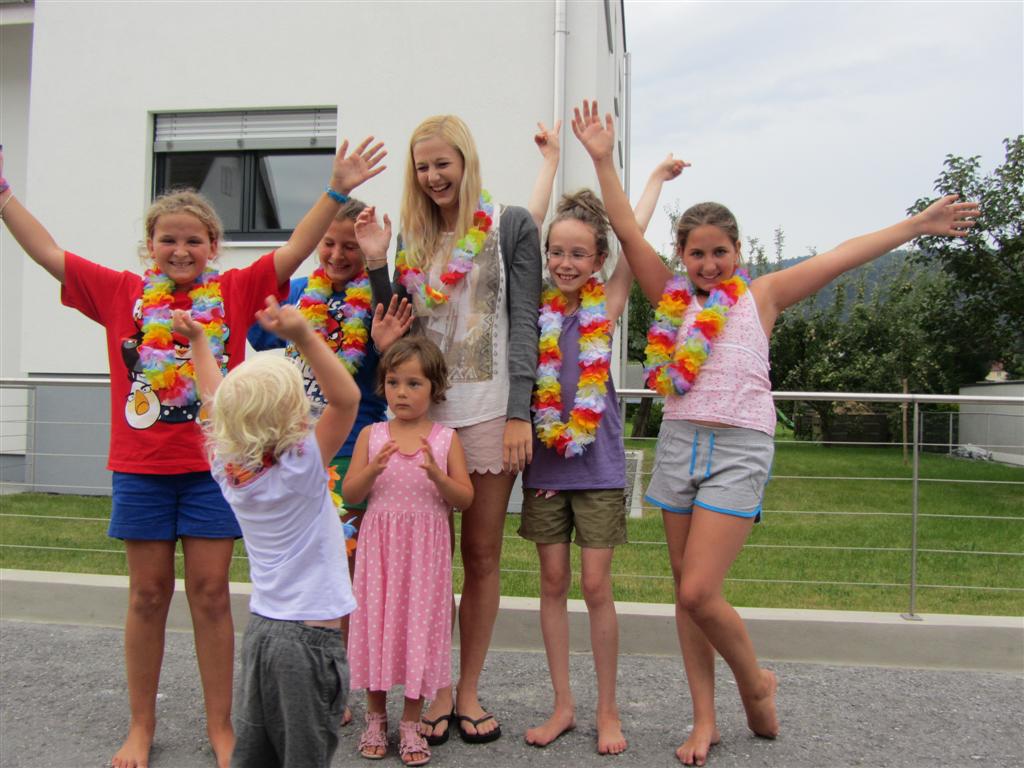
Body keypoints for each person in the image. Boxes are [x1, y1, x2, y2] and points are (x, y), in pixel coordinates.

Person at [572, 99, 979, 767]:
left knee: (700, 590)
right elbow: (623, 225)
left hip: (739, 449)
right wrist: (600, 157)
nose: (709, 263)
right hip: (680, 445)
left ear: (739, 251)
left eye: (720, 252)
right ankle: (705, 720)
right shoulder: (668, 293)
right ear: (681, 255)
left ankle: (755, 681)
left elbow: (842, 257)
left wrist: (918, 224)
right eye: (697, 253)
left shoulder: (761, 297)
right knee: (684, 592)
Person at [0, 139, 385, 768]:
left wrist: (337, 189)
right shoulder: (121, 292)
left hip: (219, 473)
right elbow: (48, 254)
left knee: (210, 594)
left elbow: (294, 248)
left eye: (193, 240)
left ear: (213, 246)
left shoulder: (232, 291)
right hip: (142, 469)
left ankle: (222, 726)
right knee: (146, 595)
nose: (180, 250)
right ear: (149, 246)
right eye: (167, 240)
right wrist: (3, 196)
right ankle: (140, 726)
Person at [357, 114, 542, 745]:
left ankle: (466, 689)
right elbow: (397, 327)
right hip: (425, 414)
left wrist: (519, 411)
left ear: (465, 161)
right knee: (428, 560)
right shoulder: (411, 237)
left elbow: (525, 321)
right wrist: (377, 262)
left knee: (482, 555)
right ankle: (431, 689)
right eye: (423, 167)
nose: (434, 176)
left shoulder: (510, 225)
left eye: (443, 163)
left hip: (489, 413)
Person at [519, 156, 686, 755]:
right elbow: (523, 231)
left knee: (595, 585)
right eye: (556, 253)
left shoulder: (605, 306)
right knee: (552, 581)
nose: (565, 263)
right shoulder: (532, 311)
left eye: (578, 254)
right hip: (545, 465)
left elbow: (631, 232)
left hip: (598, 466)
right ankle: (562, 704)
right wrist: (547, 162)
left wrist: (654, 182)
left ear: (597, 261)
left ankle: (607, 709)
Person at [175, 296, 360, 767]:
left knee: (257, 752)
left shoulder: (228, 468)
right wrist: (302, 336)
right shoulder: (303, 468)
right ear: (296, 414)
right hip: (310, 640)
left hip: (262, 631)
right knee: (304, 754)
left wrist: (199, 342)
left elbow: (214, 400)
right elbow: (346, 399)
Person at [246, 198, 411, 726]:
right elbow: (254, 326)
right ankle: (302, 673)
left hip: (350, 449)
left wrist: (384, 344)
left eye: (349, 247)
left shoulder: (381, 299)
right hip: (296, 451)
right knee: (302, 566)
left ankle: (339, 681)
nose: (338, 255)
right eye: (329, 243)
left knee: (344, 568)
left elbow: (400, 367)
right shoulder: (299, 293)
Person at [342, 336, 474, 766]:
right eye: (393, 382)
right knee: (377, 627)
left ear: (435, 388)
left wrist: (439, 476)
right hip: (380, 554)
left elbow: (465, 498)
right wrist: (372, 469)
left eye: (414, 383)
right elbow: (351, 493)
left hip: (424, 558)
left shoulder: (445, 439)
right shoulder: (371, 435)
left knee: (419, 632)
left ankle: (411, 723)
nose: (401, 392)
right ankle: (375, 718)